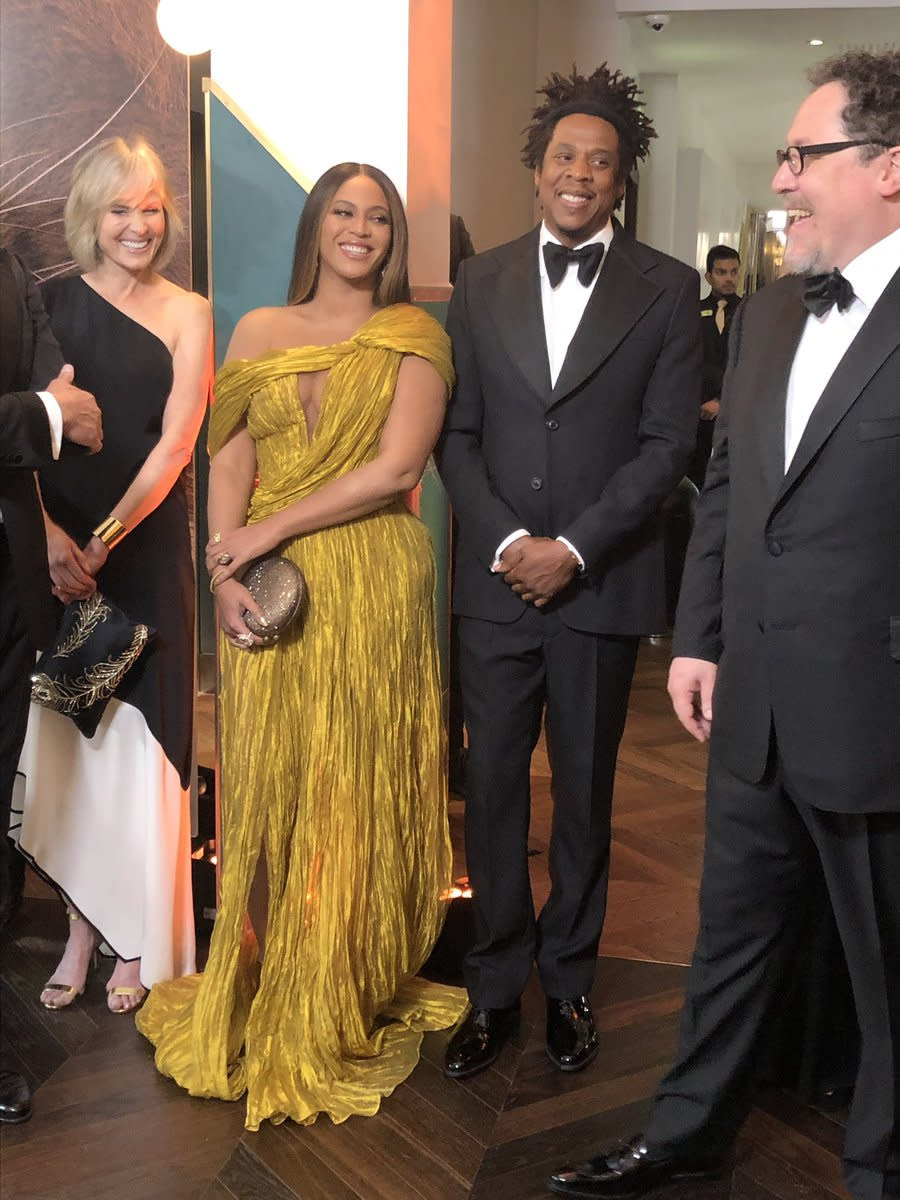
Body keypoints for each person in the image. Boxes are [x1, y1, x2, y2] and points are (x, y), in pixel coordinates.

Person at [549, 48, 900, 1200]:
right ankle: (688, 1132)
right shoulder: (761, 319)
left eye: (805, 155)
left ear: (888, 167)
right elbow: (733, 498)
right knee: (729, 940)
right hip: (747, 698)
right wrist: (696, 639)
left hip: (875, 711)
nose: (783, 178)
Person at [136, 162, 467, 1130]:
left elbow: (397, 467)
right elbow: (229, 454)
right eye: (343, 212)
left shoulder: (413, 333)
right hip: (264, 590)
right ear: (315, 227)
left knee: (353, 786)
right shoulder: (257, 332)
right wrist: (225, 573)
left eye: (377, 217)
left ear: (393, 238)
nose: (359, 229)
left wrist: (264, 536)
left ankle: (340, 987)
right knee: (274, 787)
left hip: (370, 583)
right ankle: (274, 974)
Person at [436, 65, 701, 1082]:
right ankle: (495, 987)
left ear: (621, 179)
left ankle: (573, 980)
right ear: (536, 170)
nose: (580, 173)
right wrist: (510, 544)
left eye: (600, 160)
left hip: (600, 587)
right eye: (564, 158)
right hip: (493, 589)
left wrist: (574, 548)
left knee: (587, 796)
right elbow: (458, 436)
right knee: (493, 788)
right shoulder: (478, 281)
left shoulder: (669, 290)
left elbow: (667, 442)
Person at [13, 137, 212, 1014]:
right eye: (121, 207)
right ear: (91, 215)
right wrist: (56, 538)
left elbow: (176, 443)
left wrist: (103, 541)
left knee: (146, 749)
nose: (139, 224)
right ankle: (80, 930)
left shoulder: (190, 311)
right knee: (74, 749)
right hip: (55, 562)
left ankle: (140, 940)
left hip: (144, 551)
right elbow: (25, 434)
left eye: (153, 206)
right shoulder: (48, 302)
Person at [0, 246, 102, 1122]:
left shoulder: (10, 260)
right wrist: (41, 411)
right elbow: (51, 402)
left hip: (7, 587)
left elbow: (54, 381)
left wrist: (46, 407)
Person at [689, 245, 742, 488]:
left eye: (733, 272)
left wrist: (721, 401)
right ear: (709, 276)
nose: (729, 278)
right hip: (695, 414)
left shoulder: (749, 311)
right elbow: (686, 361)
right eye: (721, 272)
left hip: (733, 410)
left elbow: (749, 364)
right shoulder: (692, 310)